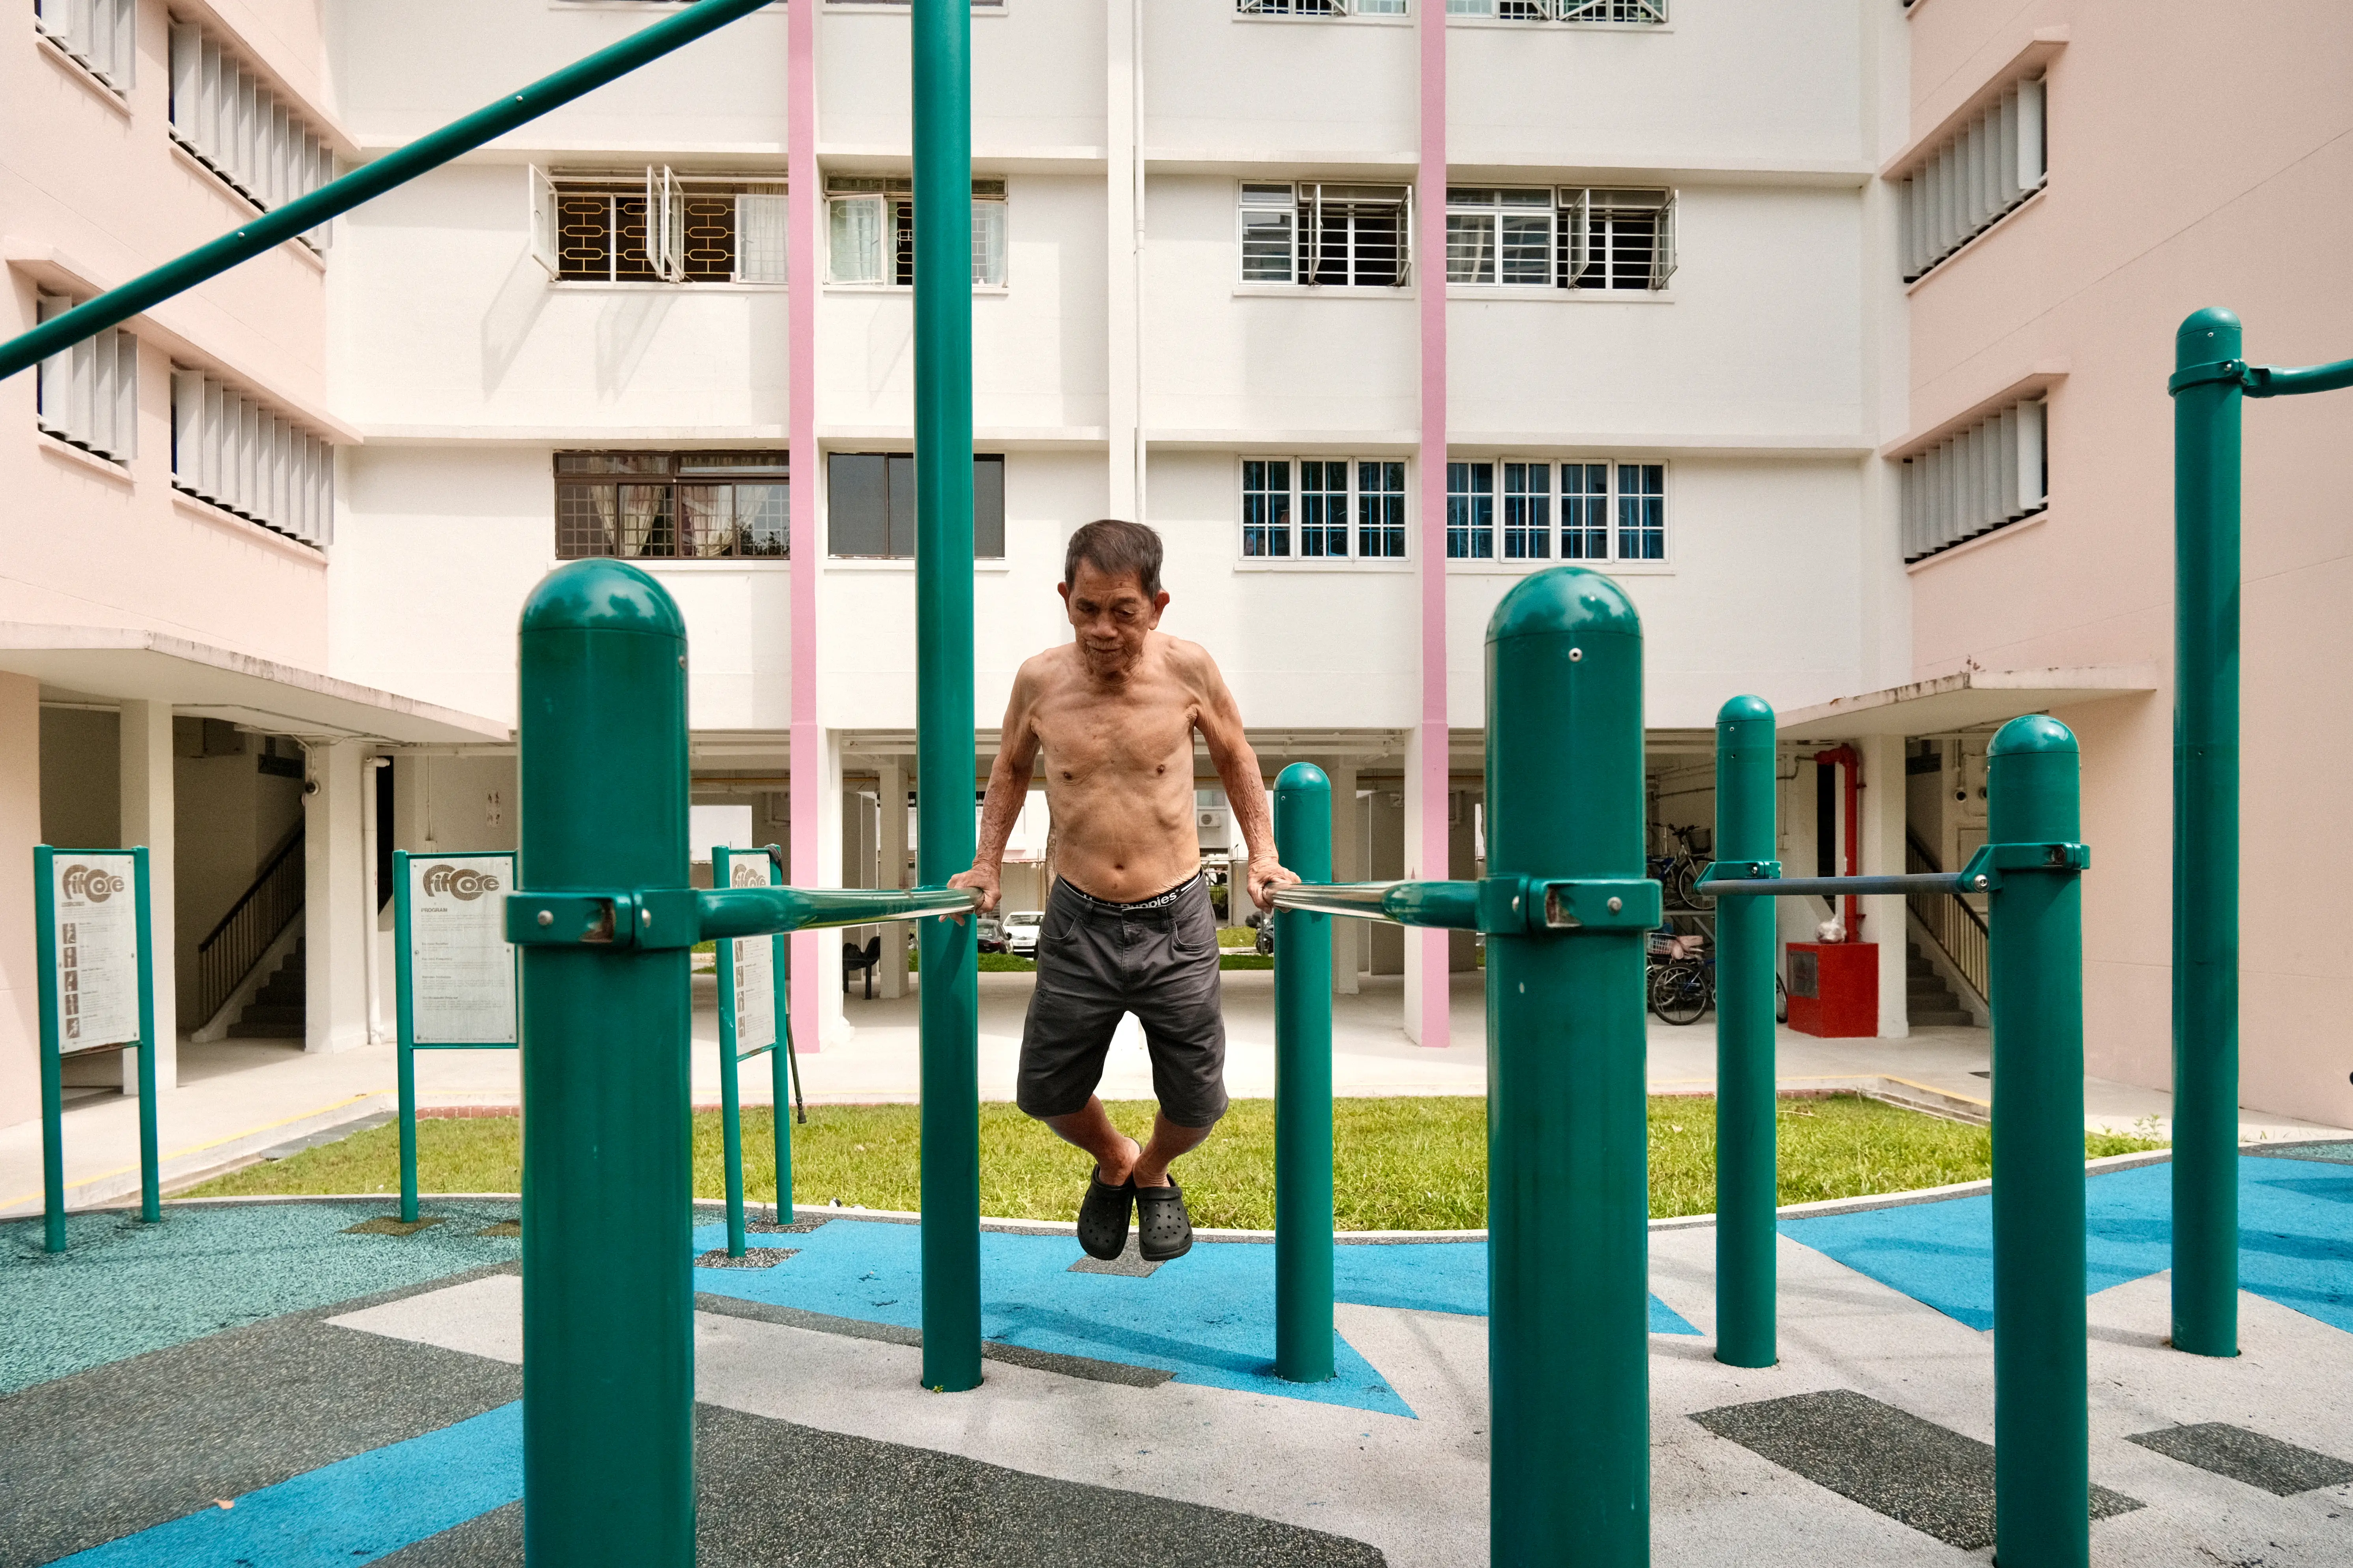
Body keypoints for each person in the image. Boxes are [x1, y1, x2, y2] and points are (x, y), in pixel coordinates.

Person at [950, 519, 1297, 1263]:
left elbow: (1238, 757)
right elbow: (1010, 769)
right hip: (1077, 920)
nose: (1102, 630)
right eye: (1086, 609)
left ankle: (1154, 1170)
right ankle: (1114, 1157)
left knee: (1199, 1102)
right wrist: (984, 864)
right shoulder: (1040, 680)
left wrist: (1262, 856)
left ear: (1158, 604)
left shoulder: (1189, 671)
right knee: (1045, 1091)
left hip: (1174, 915)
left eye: (1123, 611)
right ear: (1064, 598)